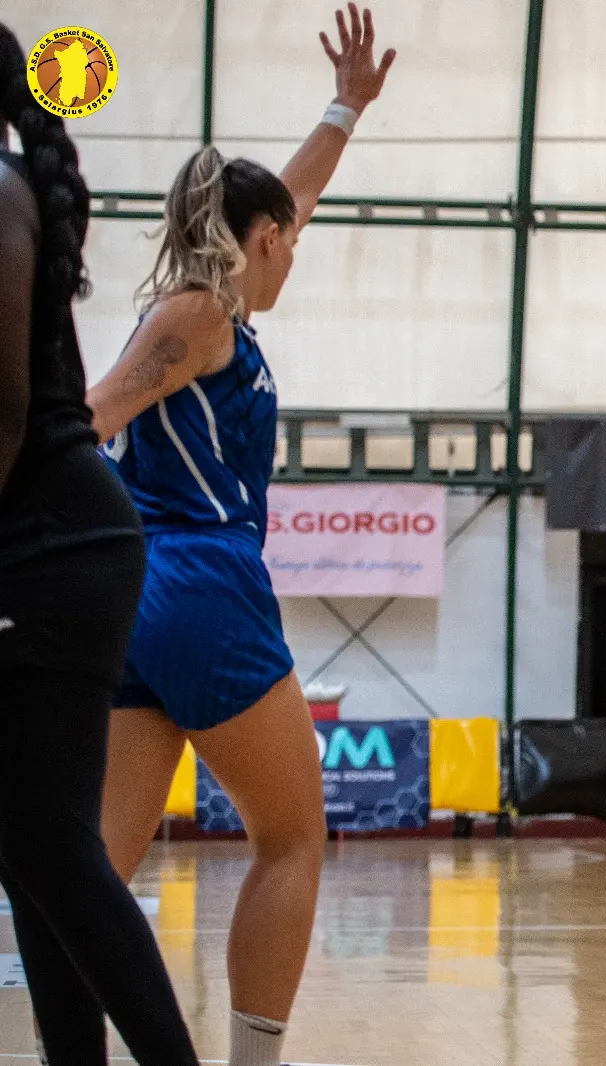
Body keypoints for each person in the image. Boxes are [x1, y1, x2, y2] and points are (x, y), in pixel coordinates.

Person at [85, 11, 395, 1066]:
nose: (296, 248)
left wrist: (344, 109)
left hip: (135, 595)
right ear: (258, 240)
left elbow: (291, 191)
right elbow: (84, 423)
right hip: (201, 580)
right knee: (293, 836)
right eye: (290, 239)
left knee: (89, 863)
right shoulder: (197, 317)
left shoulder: (209, 303)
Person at [0, 27, 200, 1065]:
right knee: (37, 843)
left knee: (44, 840)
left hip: (51, 540)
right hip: (52, 537)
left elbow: (5, 412)